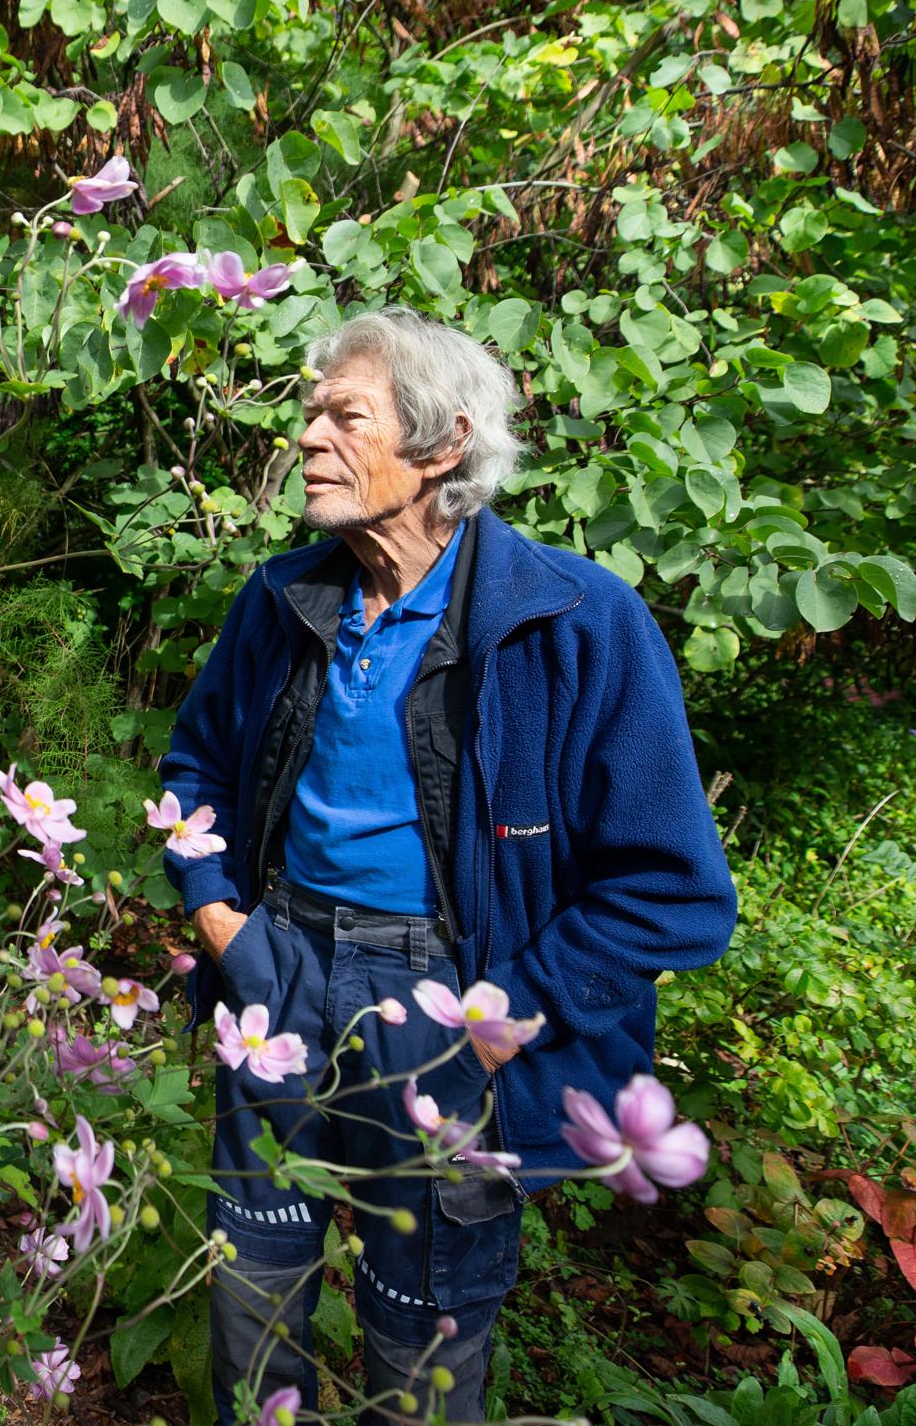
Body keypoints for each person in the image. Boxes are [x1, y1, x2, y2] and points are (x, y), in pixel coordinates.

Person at [157, 307, 737, 1425]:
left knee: (420, 1330)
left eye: (345, 416)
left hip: (448, 1009)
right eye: (308, 413)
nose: (307, 439)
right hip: (275, 972)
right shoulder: (284, 600)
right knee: (249, 1298)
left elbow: (672, 896)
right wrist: (220, 919)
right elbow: (195, 771)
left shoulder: (575, 624)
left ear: (440, 446)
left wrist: (497, 1015)